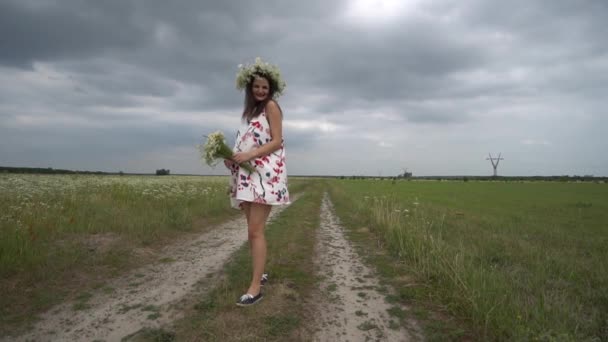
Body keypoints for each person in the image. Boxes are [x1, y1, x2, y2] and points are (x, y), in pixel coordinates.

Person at [224, 58, 290, 306]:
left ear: (270, 89)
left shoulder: (271, 106)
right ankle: (259, 273)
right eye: (257, 87)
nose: (261, 91)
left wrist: (250, 155)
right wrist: (231, 158)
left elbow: (277, 141)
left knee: (255, 231)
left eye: (265, 87)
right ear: (249, 89)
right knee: (252, 232)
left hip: (265, 176)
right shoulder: (249, 113)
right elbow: (245, 142)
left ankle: (256, 287)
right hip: (247, 174)